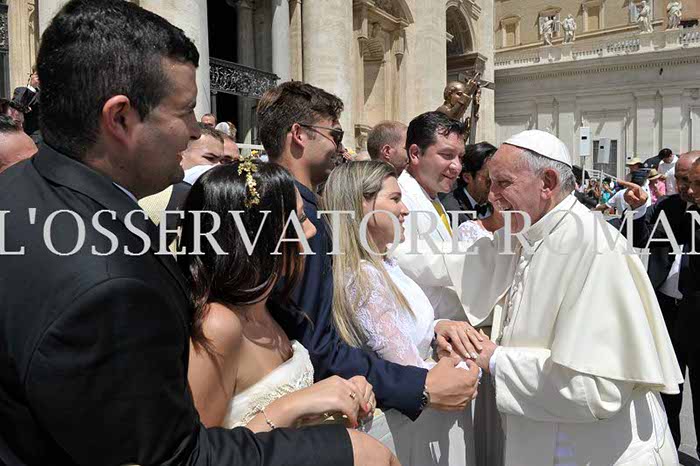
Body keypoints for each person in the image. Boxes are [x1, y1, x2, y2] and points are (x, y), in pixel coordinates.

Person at [0, 1, 391, 464]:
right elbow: (168, 456)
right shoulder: (109, 284)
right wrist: (343, 449)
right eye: (184, 111)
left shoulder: (19, 189)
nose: (193, 130)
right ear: (120, 118)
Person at [399, 129, 682, 465]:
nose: (491, 196)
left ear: (547, 183)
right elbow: (449, 264)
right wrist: (378, 254)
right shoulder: (528, 232)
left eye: (503, 183)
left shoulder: (595, 252)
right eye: (490, 183)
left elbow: (596, 389)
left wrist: (494, 358)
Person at [256, 81, 479, 425]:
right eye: (334, 134)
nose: (340, 146)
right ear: (299, 135)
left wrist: (435, 327)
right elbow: (315, 341)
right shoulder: (302, 220)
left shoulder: (298, 208)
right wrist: (416, 385)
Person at [181, 161, 376, 432]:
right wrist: (293, 405)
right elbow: (201, 448)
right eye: (300, 219)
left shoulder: (272, 305)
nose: (312, 230)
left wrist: (343, 391)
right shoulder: (218, 325)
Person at [322, 160, 483, 465]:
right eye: (395, 199)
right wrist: (465, 361)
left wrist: (439, 328)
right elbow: (409, 370)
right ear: (362, 205)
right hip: (412, 430)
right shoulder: (363, 279)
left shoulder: (386, 262)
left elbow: (408, 323)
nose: (405, 210)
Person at [624, 151, 700, 457]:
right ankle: (669, 452)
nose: (684, 187)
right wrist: (639, 209)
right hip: (666, 311)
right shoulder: (668, 207)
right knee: (667, 388)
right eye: (679, 179)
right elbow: (636, 237)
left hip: (697, 315)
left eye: (691, 181)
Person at [441, 142, 496, 226]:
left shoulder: (499, 205)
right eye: (489, 179)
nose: (494, 186)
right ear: (467, 177)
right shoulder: (450, 211)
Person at [12, 65, 41, 140]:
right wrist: (32, 87)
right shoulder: (21, 91)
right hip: (35, 138)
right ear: (32, 76)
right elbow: (17, 107)